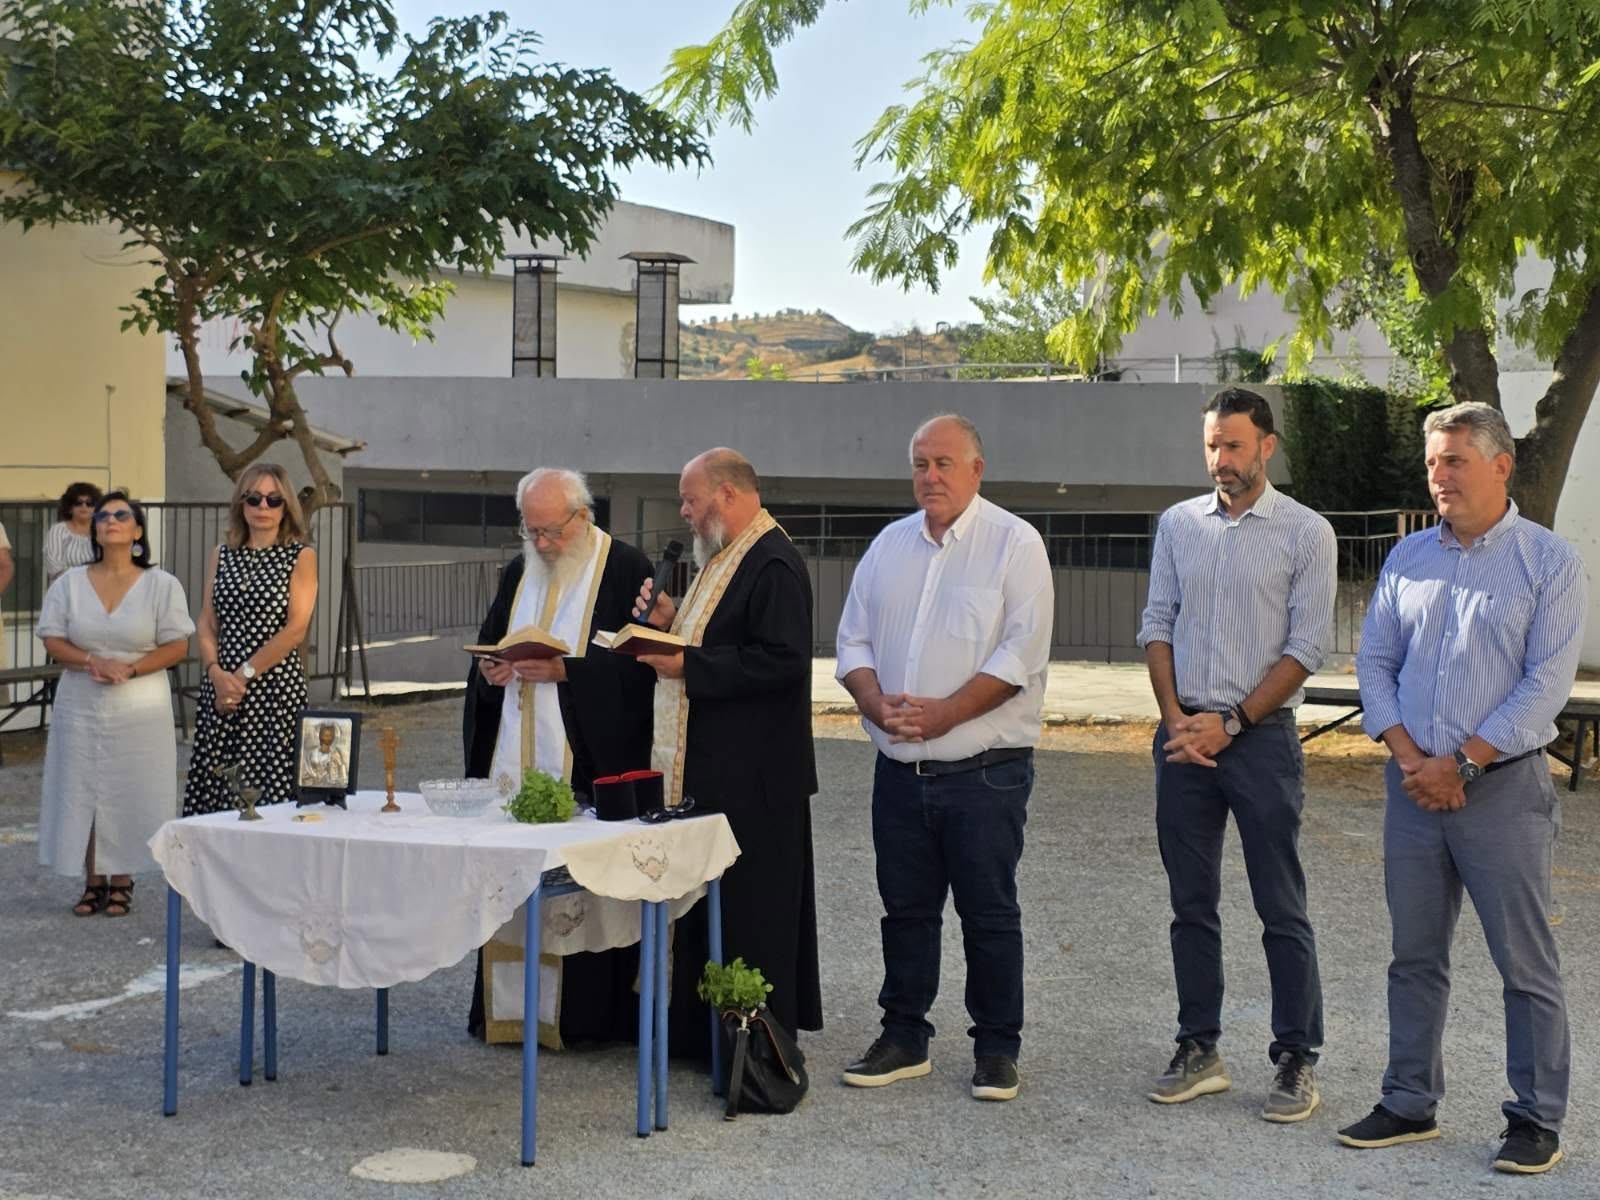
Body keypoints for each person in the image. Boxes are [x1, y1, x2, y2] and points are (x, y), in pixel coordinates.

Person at [1339, 402, 1586, 1175]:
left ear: (1500, 465)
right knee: (1413, 956)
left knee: (1524, 963)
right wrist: (1413, 759)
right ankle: (1409, 1102)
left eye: (1454, 461)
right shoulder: (1409, 557)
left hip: (1502, 792)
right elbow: (1374, 663)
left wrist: (1463, 763)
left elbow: (1545, 684)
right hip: (1414, 789)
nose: (1438, 476)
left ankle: (1535, 1120)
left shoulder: (1548, 562)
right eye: (1432, 463)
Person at [834, 414, 1053, 1103]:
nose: (930, 476)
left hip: (984, 772)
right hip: (899, 770)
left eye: (944, 463)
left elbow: (1020, 657)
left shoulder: (1015, 544)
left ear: (976, 470)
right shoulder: (888, 546)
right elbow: (852, 642)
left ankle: (997, 1049)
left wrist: (943, 714)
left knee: (989, 914)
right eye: (920, 464)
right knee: (904, 911)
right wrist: (874, 704)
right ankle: (904, 1037)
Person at [1136, 387, 1336, 1123]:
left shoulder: (1306, 532)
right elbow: (1157, 625)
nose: (1221, 459)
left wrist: (1232, 722)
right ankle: (1199, 1048)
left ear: (1267, 447)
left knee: (1280, 903)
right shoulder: (1178, 525)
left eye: (1234, 445)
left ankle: (1296, 1057)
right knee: (1190, 904)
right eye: (1212, 446)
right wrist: (1176, 721)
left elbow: (1307, 646)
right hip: (1182, 739)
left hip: (1261, 741)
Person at [633, 447, 823, 1056]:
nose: (684, 512)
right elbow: (719, 638)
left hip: (757, 781)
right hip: (723, 773)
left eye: (690, 500)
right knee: (713, 908)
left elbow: (782, 661)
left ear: (728, 494)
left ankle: (755, 1042)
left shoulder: (772, 562)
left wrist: (687, 664)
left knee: (752, 913)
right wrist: (672, 621)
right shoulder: (726, 557)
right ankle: (702, 1038)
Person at [463, 467, 657, 1044]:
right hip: (516, 755)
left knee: (582, 886)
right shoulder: (520, 570)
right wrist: (491, 670)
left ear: (583, 515)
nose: (543, 544)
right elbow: (491, 642)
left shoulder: (625, 568)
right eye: (532, 531)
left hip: (587, 762)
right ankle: (506, 1014)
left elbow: (641, 669)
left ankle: (585, 1021)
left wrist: (567, 672)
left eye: (552, 531)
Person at [37, 492, 194, 917]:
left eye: (121, 515)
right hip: (81, 699)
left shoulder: (162, 585)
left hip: (140, 702)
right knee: (81, 786)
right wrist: (93, 661)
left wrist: (132, 668)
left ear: (138, 531)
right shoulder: (70, 583)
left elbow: (177, 644)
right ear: (94, 531)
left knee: (129, 788)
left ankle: (122, 880)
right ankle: (93, 881)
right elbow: (52, 637)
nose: (110, 520)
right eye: (103, 516)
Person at [183, 464, 317, 815]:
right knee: (216, 791)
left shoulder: (300, 556)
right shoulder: (221, 554)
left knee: (270, 796)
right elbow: (206, 621)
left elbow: (296, 629)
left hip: (272, 690)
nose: (263, 507)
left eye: (274, 499)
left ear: (287, 506)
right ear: (241, 503)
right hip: (222, 690)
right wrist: (216, 674)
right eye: (254, 498)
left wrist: (242, 676)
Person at [44, 482, 103, 585]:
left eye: (89, 503)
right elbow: (54, 568)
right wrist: (85, 578)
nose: (84, 506)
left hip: (98, 588)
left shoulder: (102, 532)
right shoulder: (58, 530)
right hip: (65, 589)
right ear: (69, 508)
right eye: (78, 503)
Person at [300, 720, 349, 789]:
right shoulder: (312, 753)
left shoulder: (336, 753)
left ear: (334, 737)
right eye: (325, 735)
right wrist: (314, 775)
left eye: (330, 735)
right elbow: (306, 772)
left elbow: (342, 776)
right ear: (319, 736)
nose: (327, 738)